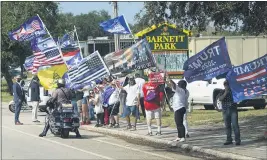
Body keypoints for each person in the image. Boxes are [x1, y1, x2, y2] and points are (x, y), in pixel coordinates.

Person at [218, 80, 241, 146]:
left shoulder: (233, 91)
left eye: (228, 85)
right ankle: (229, 139)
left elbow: (238, 98)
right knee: (227, 126)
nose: (227, 86)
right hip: (225, 111)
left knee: (235, 125)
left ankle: (237, 140)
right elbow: (220, 99)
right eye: (225, 85)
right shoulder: (222, 91)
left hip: (233, 110)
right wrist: (225, 92)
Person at [168, 78, 189, 142]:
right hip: (181, 108)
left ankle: (182, 136)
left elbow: (174, 85)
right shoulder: (186, 91)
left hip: (179, 108)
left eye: (179, 84)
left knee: (179, 123)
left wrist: (169, 79)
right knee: (178, 123)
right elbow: (172, 86)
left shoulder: (180, 90)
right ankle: (179, 136)